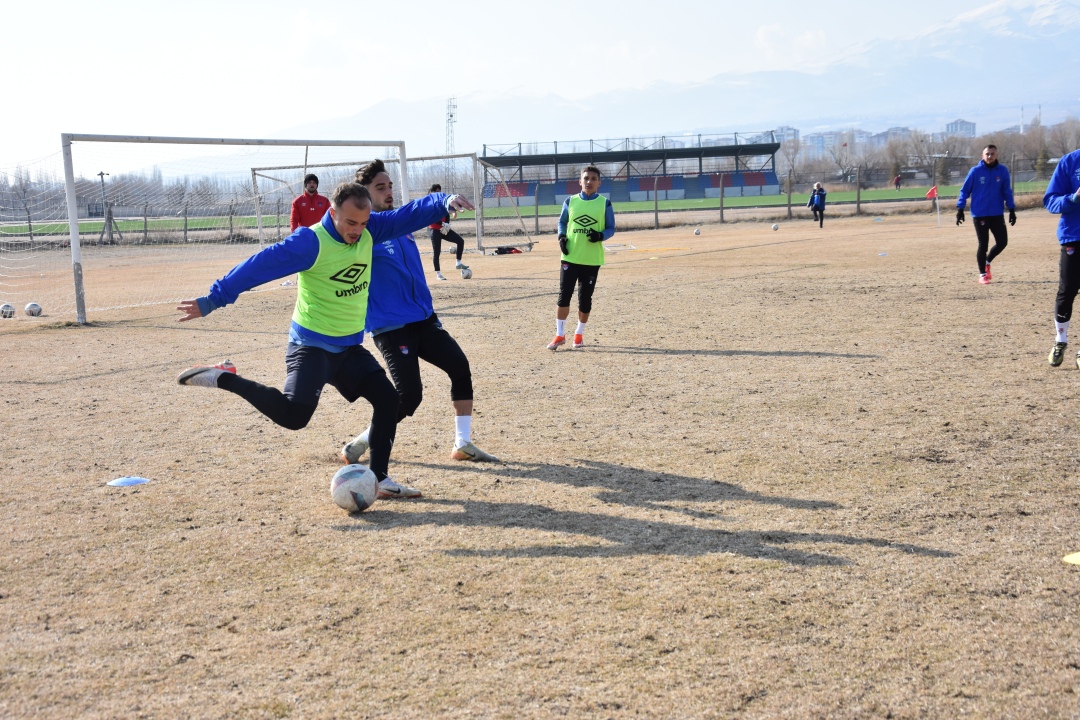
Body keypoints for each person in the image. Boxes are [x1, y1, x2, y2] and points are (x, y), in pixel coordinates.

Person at [175, 182, 471, 500]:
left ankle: (380, 478)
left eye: (363, 222)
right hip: (311, 346)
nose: (358, 230)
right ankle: (225, 378)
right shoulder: (311, 242)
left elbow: (409, 214)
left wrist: (444, 202)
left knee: (388, 399)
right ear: (333, 213)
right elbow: (260, 266)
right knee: (294, 416)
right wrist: (212, 300)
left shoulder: (372, 228)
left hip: (347, 348)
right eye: (350, 222)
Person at [340, 160, 499, 464]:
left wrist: (444, 201)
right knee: (408, 397)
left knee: (459, 366)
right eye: (380, 187)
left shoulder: (399, 225)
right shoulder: (361, 234)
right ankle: (360, 443)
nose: (388, 192)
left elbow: (414, 211)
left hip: (424, 319)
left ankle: (463, 443)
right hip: (390, 326)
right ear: (363, 194)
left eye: (390, 186)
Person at [547, 165, 615, 351]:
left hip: (591, 259)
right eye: (586, 178)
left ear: (599, 183)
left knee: (585, 299)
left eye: (593, 179)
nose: (589, 181)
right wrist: (561, 236)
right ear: (580, 181)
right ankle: (560, 335)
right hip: (570, 256)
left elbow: (611, 228)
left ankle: (579, 333)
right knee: (564, 296)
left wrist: (601, 236)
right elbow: (562, 221)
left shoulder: (605, 203)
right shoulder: (570, 201)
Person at [956, 144, 1017, 285]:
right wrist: (960, 209)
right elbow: (964, 191)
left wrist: (1012, 209)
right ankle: (982, 274)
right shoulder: (975, 172)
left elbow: (1007, 191)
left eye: (992, 154)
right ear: (982, 156)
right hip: (980, 213)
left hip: (996, 213)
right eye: (987, 154)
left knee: (1002, 242)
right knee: (983, 244)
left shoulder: (1002, 171)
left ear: (997, 155)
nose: (990, 156)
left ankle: (987, 261)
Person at [1044, 148, 1080, 368]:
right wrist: (1075, 197)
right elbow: (1051, 201)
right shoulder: (1070, 162)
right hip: (1073, 237)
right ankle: (1061, 340)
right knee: (1067, 291)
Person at [426, 183, 469, 280]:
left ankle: (458, 263)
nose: (439, 193)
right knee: (437, 252)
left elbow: (447, 214)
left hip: (443, 229)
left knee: (460, 241)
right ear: (432, 192)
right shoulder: (430, 203)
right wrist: (442, 224)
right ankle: (438, 274)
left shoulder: (443, 201)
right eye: (436, 191)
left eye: (439, 191)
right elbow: (431, 218)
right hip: (434, 230)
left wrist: (447, 224)